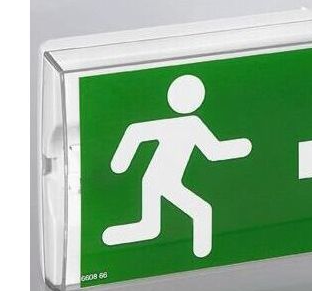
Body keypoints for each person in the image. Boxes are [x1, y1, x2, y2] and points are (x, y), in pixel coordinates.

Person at [102, 74, 252, 257]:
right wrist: (241, 146)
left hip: (153, 179)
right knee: (201, 211)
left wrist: (121, 163)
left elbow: (136, 132)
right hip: (164, 181)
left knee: (151, 226)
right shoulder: (192, 124)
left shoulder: (191, 124)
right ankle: (202, 253)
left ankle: (111, 237)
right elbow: (214, 151)